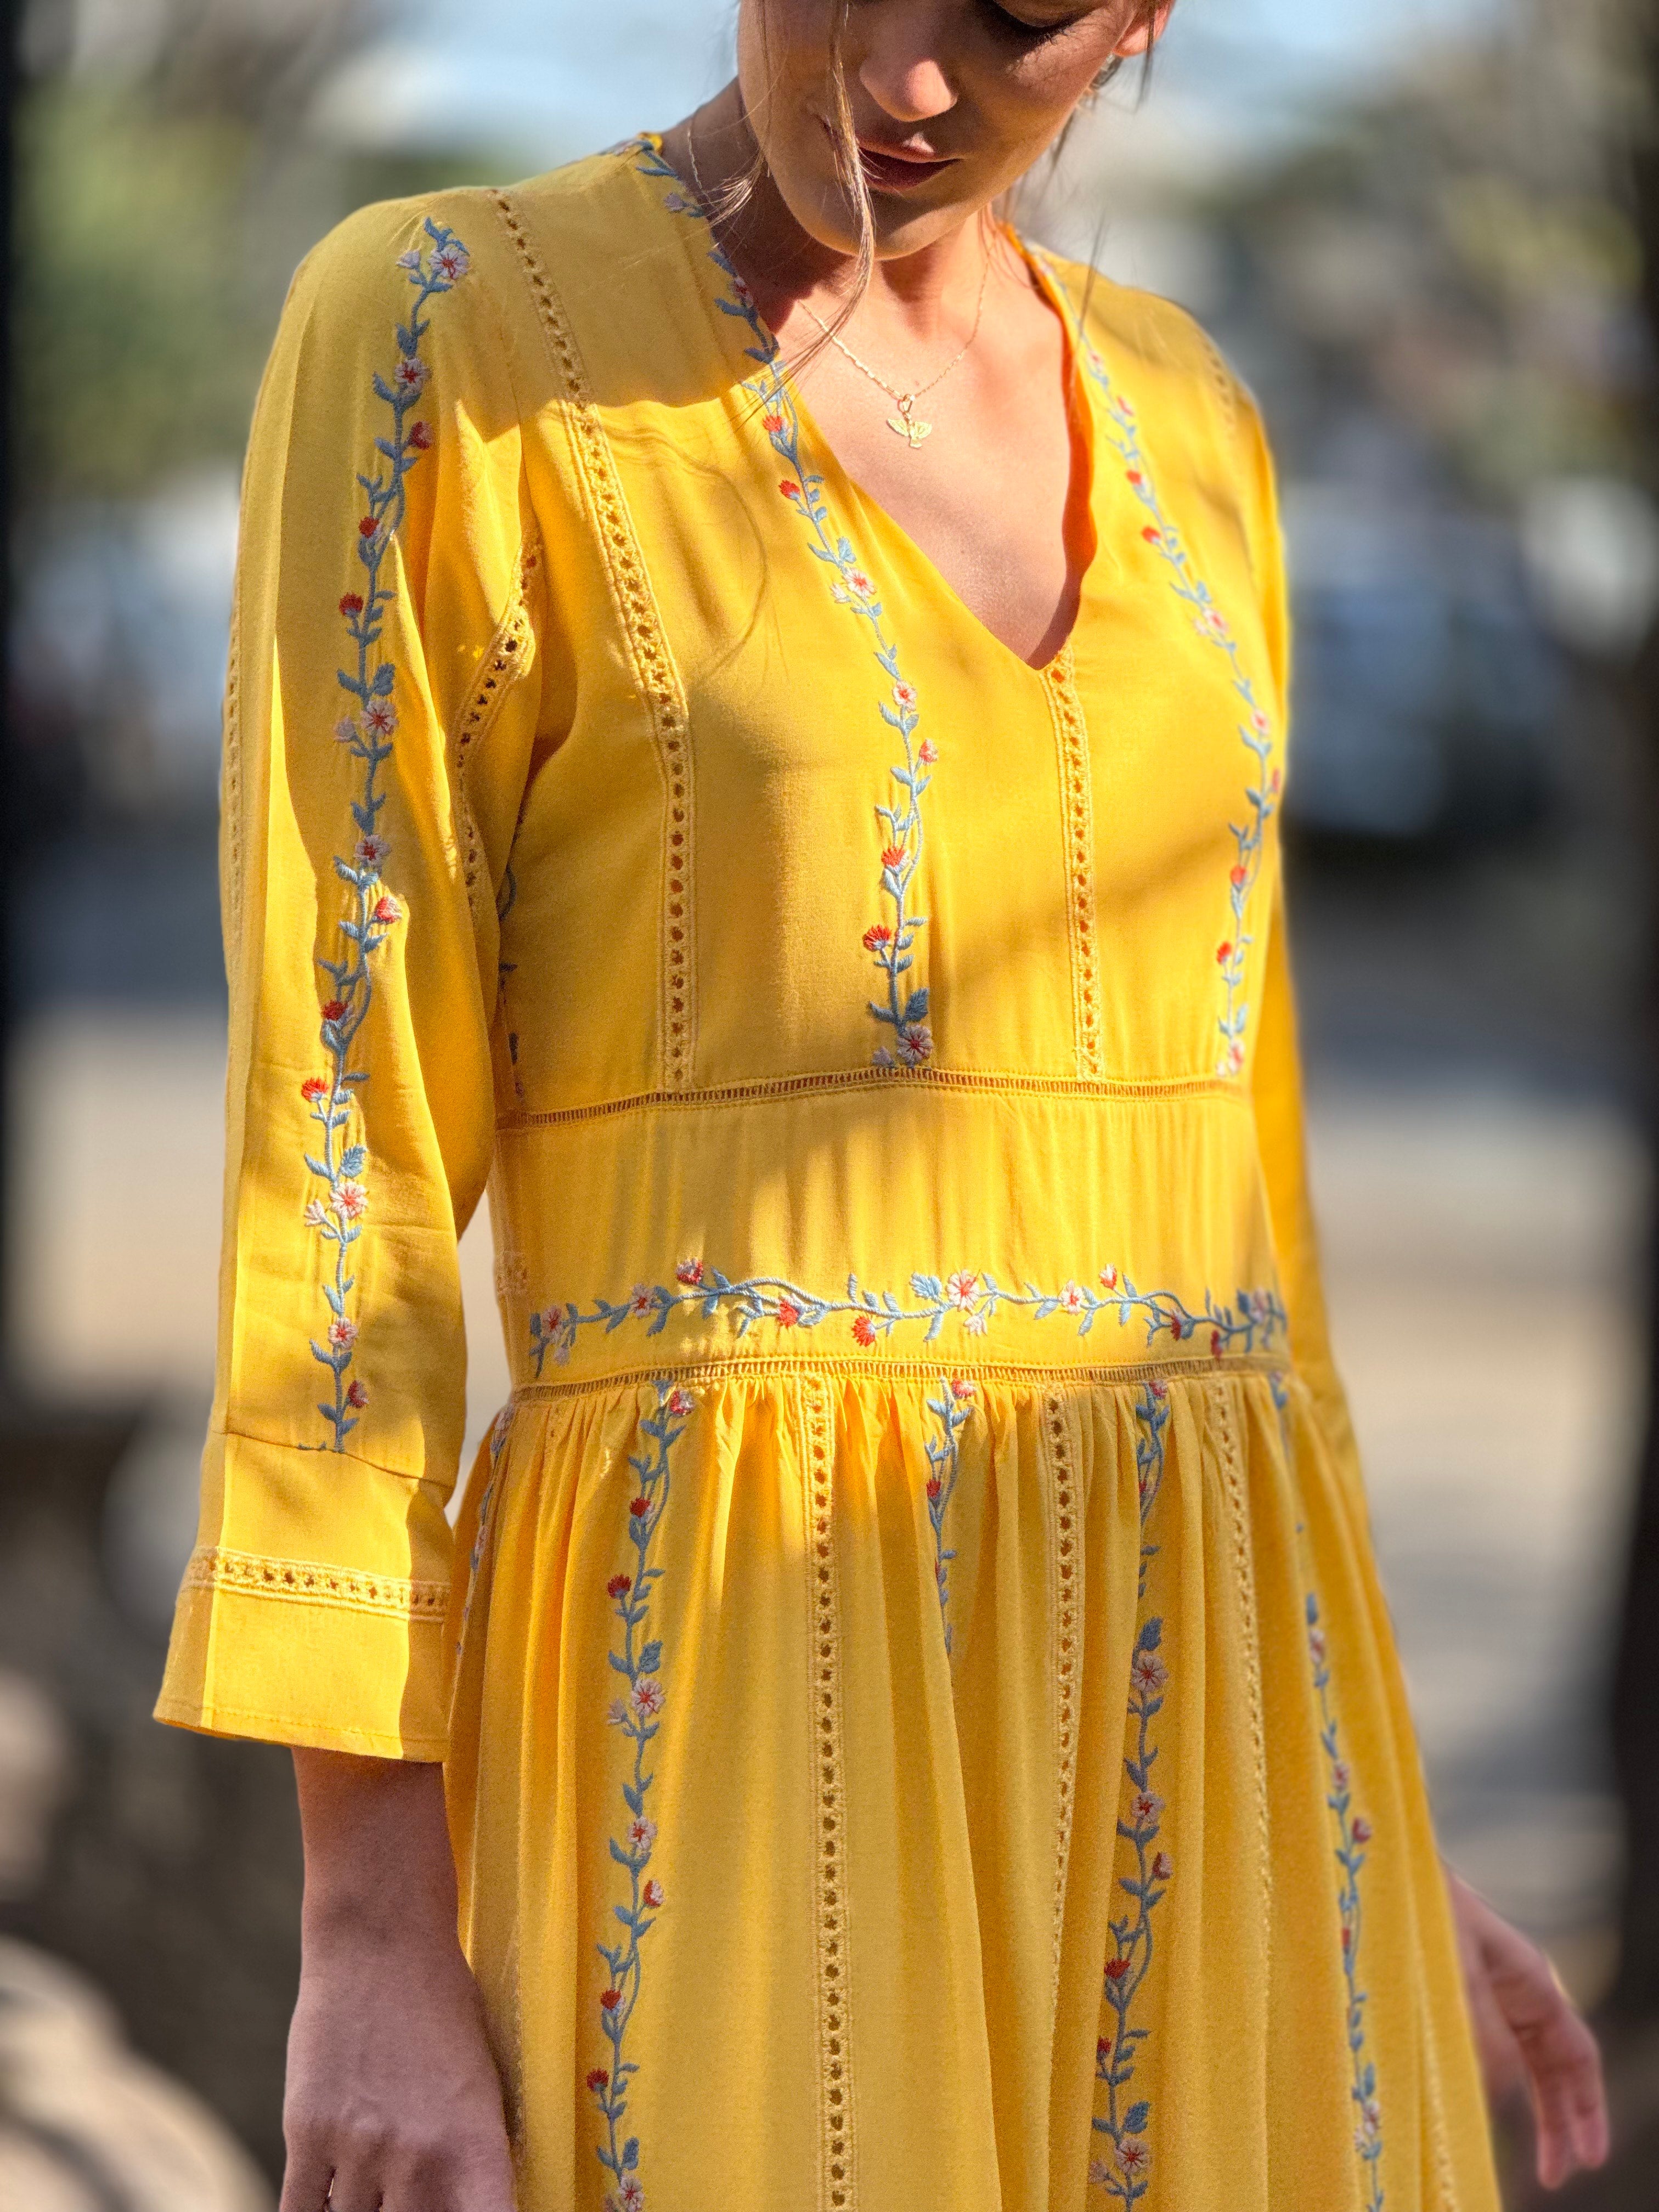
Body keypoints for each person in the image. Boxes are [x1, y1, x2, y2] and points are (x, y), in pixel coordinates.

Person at [156, 3, 1612, 2207]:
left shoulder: (1198, 418)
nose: (913, 86)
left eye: (1024, 21)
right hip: (740, 1696)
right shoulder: (453, 330)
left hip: (1232, 1736)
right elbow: (335, 1165)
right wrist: (366, 1931)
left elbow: (1247, 1201)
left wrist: (1375, 1814)